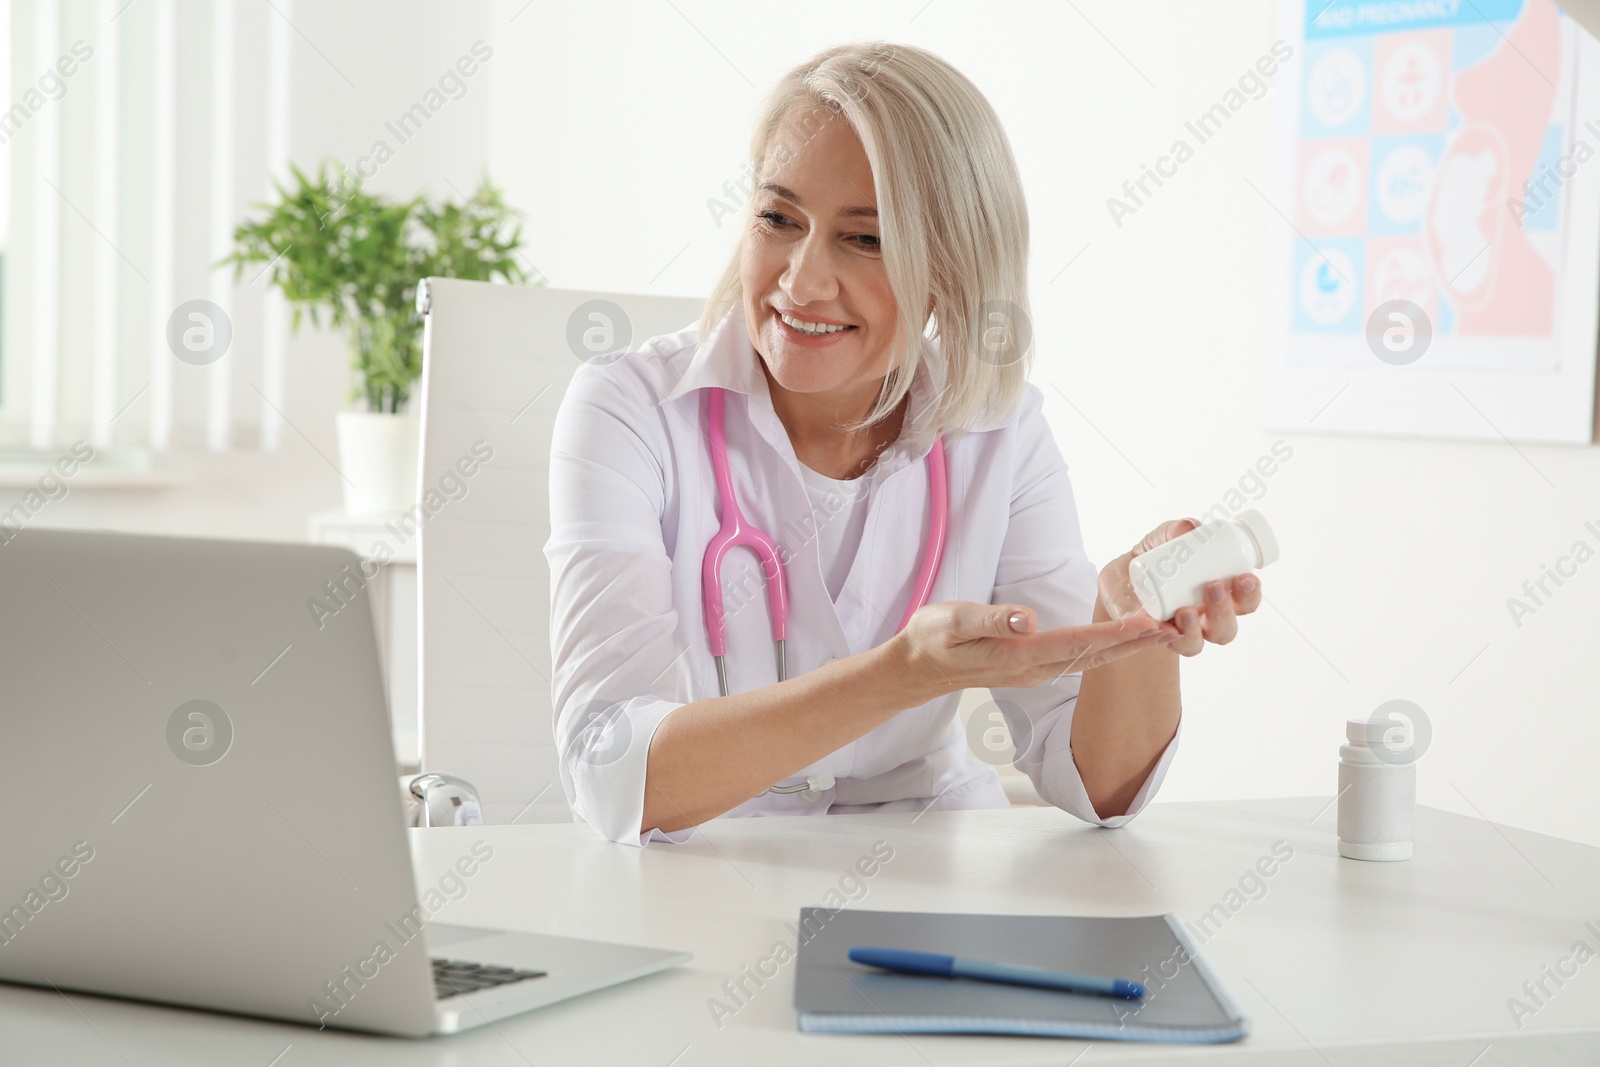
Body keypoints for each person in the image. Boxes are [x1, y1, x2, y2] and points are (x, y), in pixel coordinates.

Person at [545, 41, 1261, 847]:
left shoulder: (1002, 428)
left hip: (930, 868)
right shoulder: (630, 410)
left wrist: (1133, 628)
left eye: (867, 239)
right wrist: (898, 676)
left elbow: (1096, 782)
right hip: (706, 865)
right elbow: (610, 775)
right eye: (778, 219)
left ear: (950, 270)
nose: (801, 281)